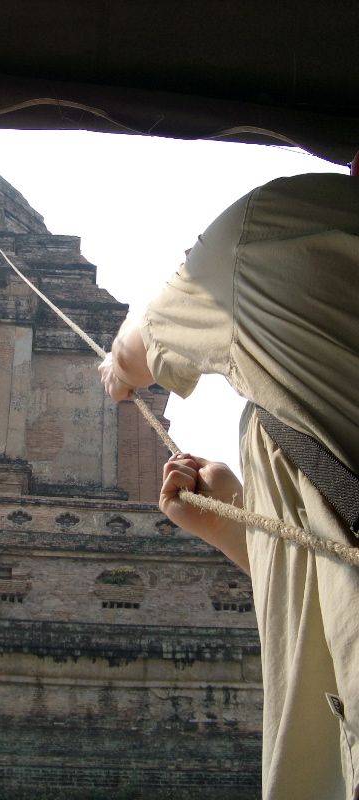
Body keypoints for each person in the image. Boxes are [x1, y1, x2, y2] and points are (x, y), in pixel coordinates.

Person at [99, 172, 359, 800]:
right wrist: (235, 523)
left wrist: (113, 370)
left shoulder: (275, 227)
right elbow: (333, 567)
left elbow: (130, 360)